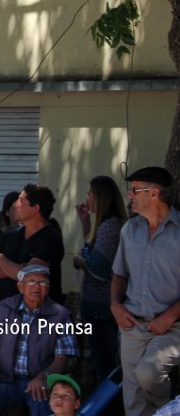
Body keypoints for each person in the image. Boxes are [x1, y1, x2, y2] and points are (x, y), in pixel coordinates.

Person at [111, 166, 180, 416]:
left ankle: (169, 410)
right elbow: (119, 274)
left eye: (135, 190)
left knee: (148, 373)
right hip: (132, 325)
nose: (130, 195)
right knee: (133, 402)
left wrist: (169, 317)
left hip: (173, 326)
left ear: (154, 193)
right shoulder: (130, 230)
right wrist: (115, 306)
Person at [0, 264, 79, 416]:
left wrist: (42, 378)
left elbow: (61, 358)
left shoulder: (60, 315)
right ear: (20, 287)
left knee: (42, 397)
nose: (37, 286)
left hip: (37, 380)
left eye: (42, 282)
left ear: (48, 288)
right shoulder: (5, 308)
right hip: (6, 380)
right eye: (31, 281)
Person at [72, 175, 127, 382]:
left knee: (106, 367)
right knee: (100, 364)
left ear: (100, 197)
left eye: (89, 193)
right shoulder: (104, 225)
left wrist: (78, 261)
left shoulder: (110, 227)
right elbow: (92, 251)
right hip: (98, 309)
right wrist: (85, 223)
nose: (87, 198)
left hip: (103, 309)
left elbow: (99, 269)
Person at [0, 184, 65, 304]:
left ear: (35, 208)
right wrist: (19, 269)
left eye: (21, 201)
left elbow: (31, 275)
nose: (16, 205)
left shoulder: (51, 239)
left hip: (38, 316)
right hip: (4, 313)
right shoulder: (9, 235)